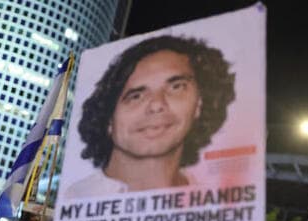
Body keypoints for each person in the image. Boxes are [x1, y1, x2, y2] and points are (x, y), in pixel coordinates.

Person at [66, 35, 235, 198]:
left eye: (176, 87)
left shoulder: (212, 203)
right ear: (108, 119)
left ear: (199, 104)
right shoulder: (73, 198)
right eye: (136, 96)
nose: (156, 104)